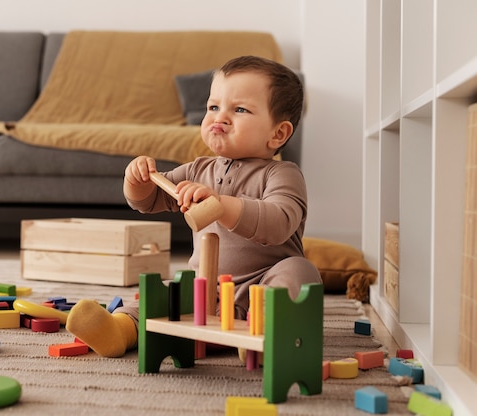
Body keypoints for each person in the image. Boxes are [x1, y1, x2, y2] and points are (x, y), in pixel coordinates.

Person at [66, 55, 322, 358]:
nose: (219, 117)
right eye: (213, 107)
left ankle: (266, 329)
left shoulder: (282, 174)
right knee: (163, 290)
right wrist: (137, 181)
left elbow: (278, 222)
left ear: (277, 133)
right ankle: (120, 329)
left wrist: (221, 206)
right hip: (205, 293)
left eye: (239, 109)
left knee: (300, 271)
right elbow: (149, 201)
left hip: (260, 289)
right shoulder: (198, 169)